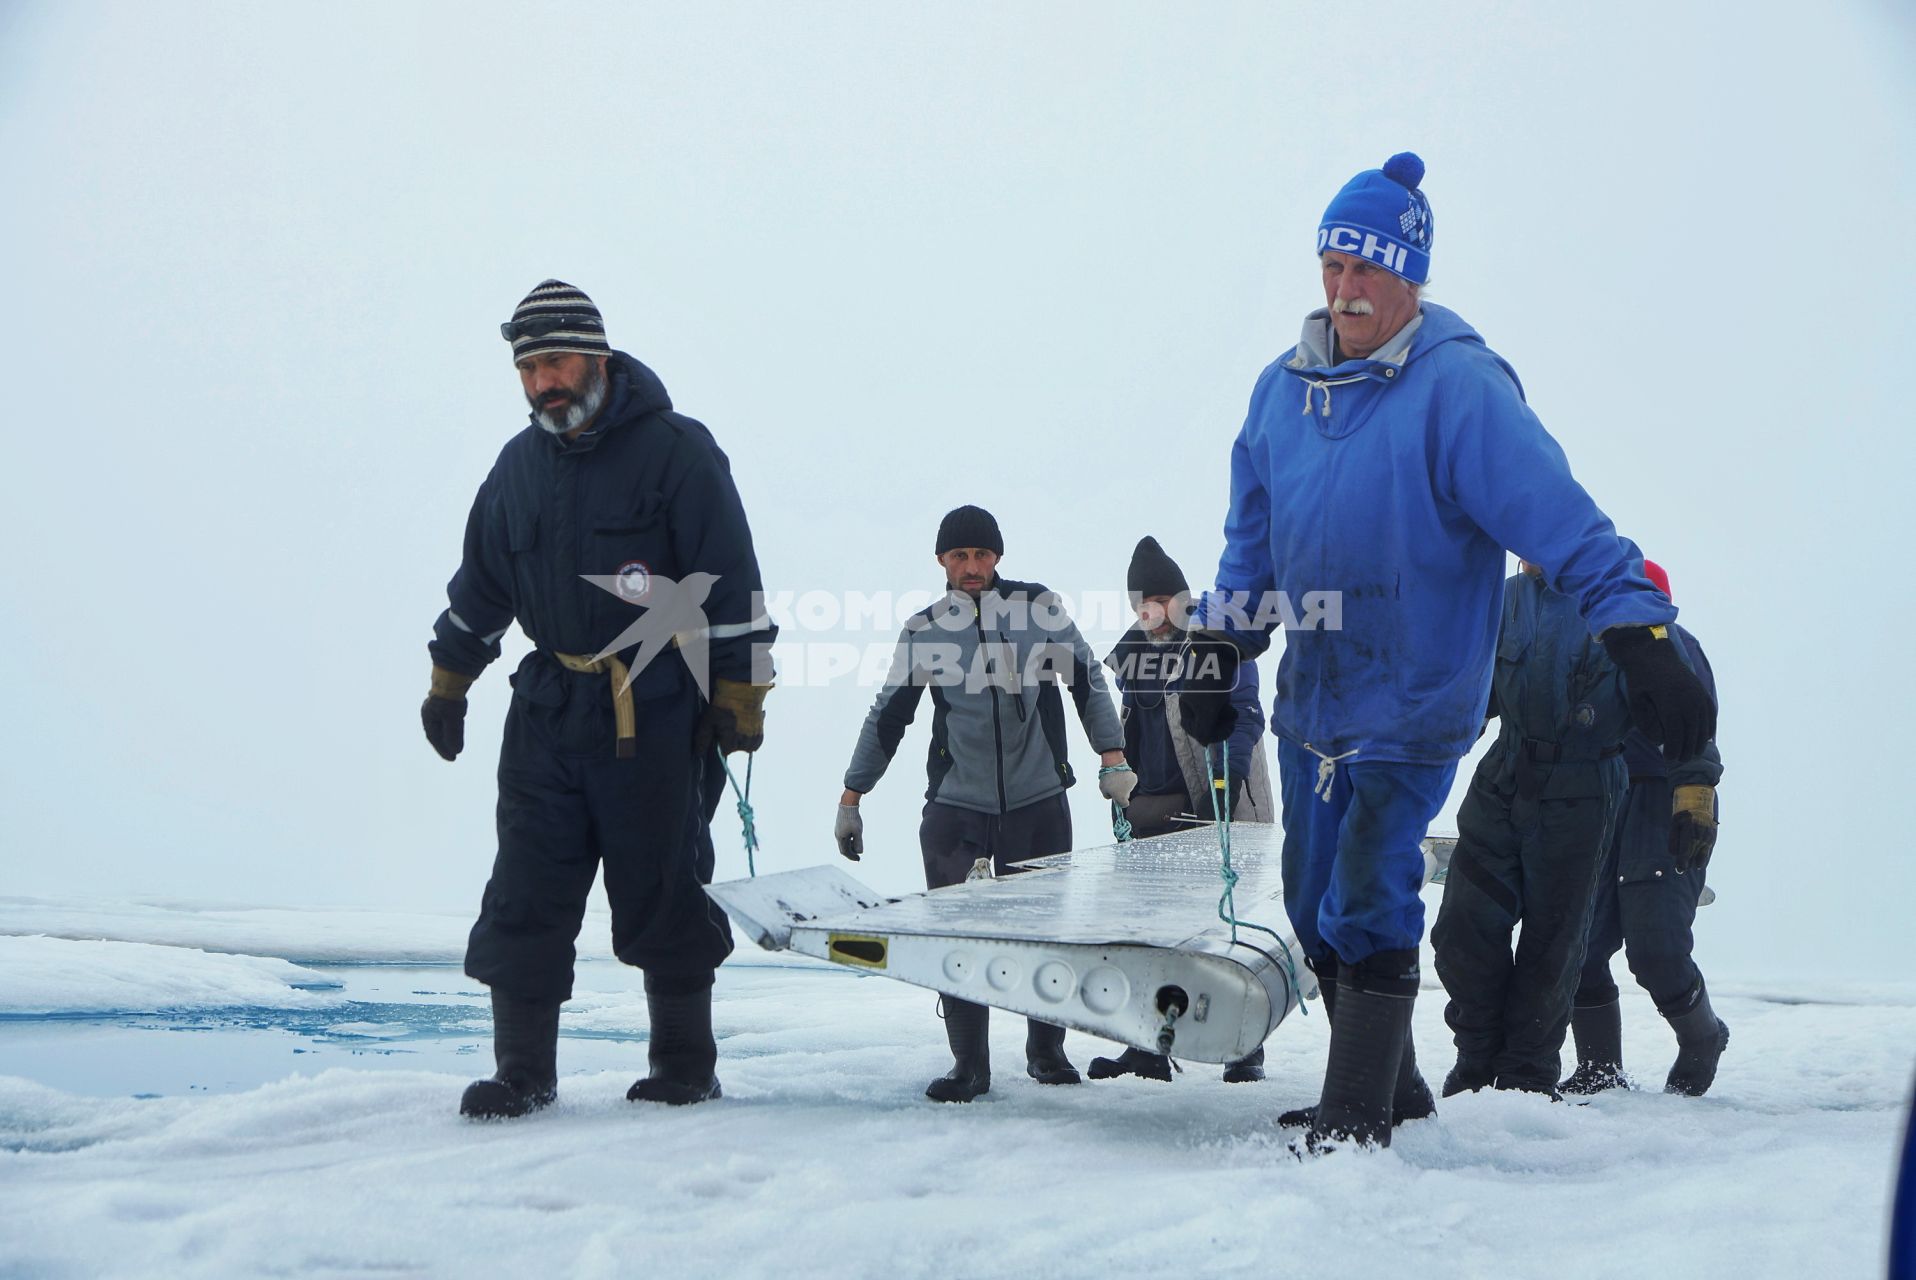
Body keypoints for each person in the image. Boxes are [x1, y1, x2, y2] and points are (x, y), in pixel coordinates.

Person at [1176, 154, 1716, 1152]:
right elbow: (1248, 550)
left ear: (1409, 277)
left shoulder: (1457, 388)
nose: (1343, 288)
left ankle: (1353, 1114)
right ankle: (1395, 1086)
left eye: (1366, 269)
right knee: (1308, 898)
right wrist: (1222, 645)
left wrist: (1638, 632)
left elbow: (1562, 521)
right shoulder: (1278, 396)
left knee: (1367, 882)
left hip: (1415, 699)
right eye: (1332, 263)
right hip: (1314, 701)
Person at [423, 280, 775, 1119]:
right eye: (529, 366)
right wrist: (450, 678)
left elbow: (731, 583)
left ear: (598, 357)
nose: (544, 380)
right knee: (525, 886)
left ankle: (685, 1063)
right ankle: (522, 1072)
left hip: (654, 706)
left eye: (557, 360)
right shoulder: (515, 469)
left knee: (666, 884)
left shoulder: (678, 454)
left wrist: (741, 694)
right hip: (547, 708)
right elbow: (481, 586)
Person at [833, 505, 1135, 1102]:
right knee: (958, 937)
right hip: (956, 804)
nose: (972, 567)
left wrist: (1113, 758)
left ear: (998, 556)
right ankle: (969, 1064)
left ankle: (1046, 1051)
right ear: (941, 561)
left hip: (1038, 797)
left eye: (982, 555)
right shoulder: (923, 629)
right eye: (960, 556)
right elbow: (889, 715)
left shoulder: (1038, 607)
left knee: (1044, 933)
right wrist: (852, 795)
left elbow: (1088, 680)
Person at [1429, 558, 1720, 1097]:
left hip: (1617, 792)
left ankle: (1692, 1038)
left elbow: (1690, 718)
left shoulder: (1642, 621)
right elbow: (1467, 691)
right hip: (1519, 780)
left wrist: (1694, 795)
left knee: (1610, 945)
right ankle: (1541, 1063)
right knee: (1488, 933)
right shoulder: (1508, 603)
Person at [1087, 535, 1275, 1084]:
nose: (1152, 613)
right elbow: (1129, 731)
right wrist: (1125, 800)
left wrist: (1227, 780)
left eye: (1162, 600)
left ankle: (1245, 1051)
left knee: (1230, 934)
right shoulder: (1131, 654)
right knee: (1151, 937)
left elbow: (1244, 717)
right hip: (1156, 817)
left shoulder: (1217, 642)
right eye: (1141, 604)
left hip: (1222, 811)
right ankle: (1149, 1049)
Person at [1561, 559, 1727, 1096]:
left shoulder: (1676, 649)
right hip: (1600, 797)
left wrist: (1695, 799)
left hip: (1665, 797)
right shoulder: (1586, 654)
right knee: (1577, 944)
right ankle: (1599, 1069)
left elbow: (1696, 730)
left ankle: (1701, 1037)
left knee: (1655, 946)